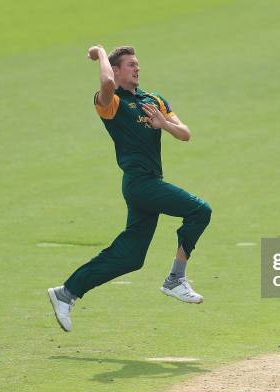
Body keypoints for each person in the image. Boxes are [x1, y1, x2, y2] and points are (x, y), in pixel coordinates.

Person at [47, 45, 212, 332]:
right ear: (118, 69)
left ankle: (67, 293)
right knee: (200, 210)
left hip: (150, 185)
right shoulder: (111, 104)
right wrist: (100, 53)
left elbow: (185, 134)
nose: (136, 68)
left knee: (131, 257)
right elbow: (107, 83)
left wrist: (163, 124)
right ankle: (175, 279)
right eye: (130, 65)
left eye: (138, 64)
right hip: (139, 184)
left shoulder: (154, 100)